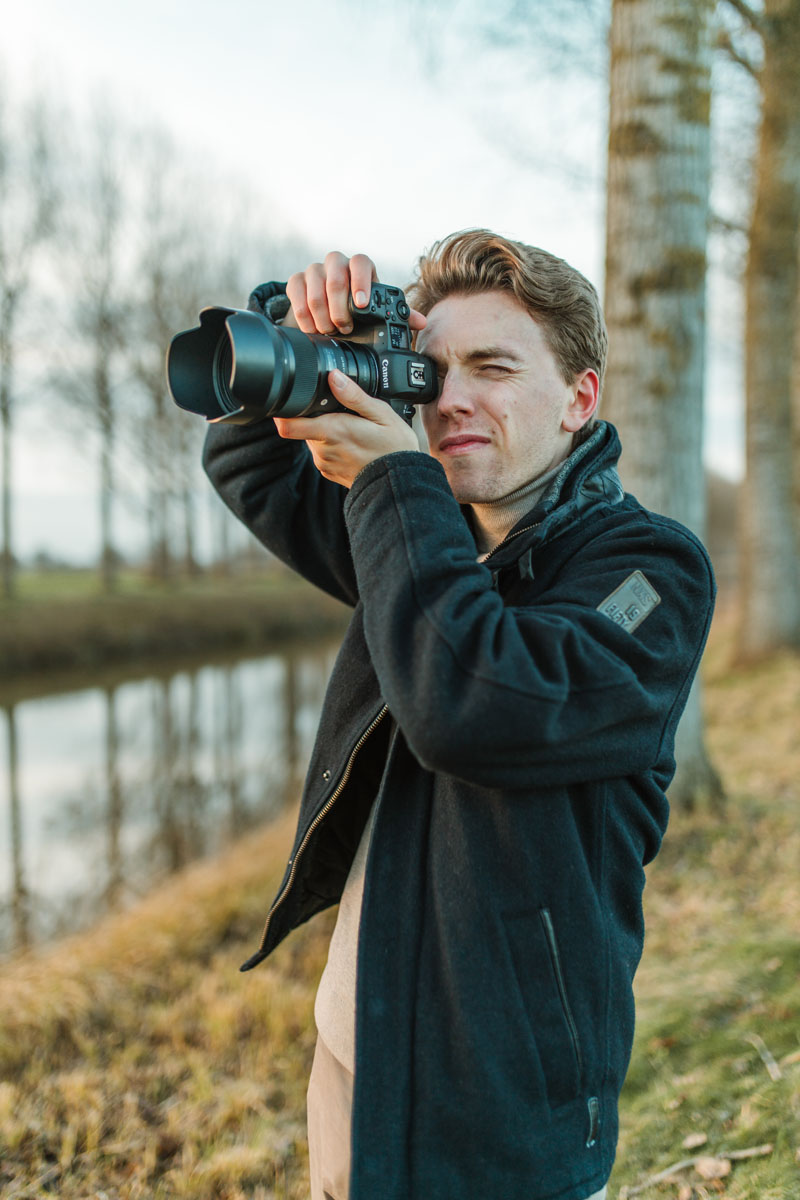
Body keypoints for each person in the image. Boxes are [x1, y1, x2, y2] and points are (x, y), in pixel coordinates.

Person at [201, 230, 715, 1200]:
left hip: (501, 1107)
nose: (450, 398)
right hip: (359, 1048)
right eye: (429, 371)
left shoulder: (647, 568)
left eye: (492, 366)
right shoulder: (419, 538)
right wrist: (294, 330)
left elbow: (473, 703)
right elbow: (250, 465)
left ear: (578, 399)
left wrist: (396, 481)